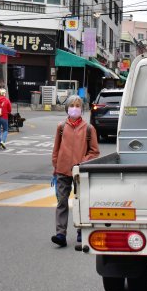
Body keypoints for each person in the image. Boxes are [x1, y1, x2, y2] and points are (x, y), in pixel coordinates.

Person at [50, 96, 100, 247]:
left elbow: (95, 152)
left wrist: (82, 161)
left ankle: (81, 231)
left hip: (80, 171)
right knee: (62, 202)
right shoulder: (61, 127)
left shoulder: (89, 128)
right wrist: (56, 166)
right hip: (62, 170)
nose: (74, 108)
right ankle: (60, 234)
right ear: (67, 108)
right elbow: (56, 149)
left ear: (82, 109)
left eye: (77, 106)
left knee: (80, 202)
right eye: (72, 105)